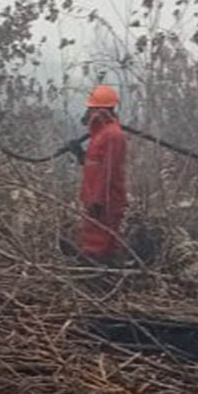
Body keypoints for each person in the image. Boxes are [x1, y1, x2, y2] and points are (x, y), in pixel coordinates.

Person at [68, 85, 128, 262]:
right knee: (92, 241)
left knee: (102, 244)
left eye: (92, 108)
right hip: (94, 198)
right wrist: (80, 154)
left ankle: (101, 280)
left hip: (105, 202)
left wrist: (98, 200)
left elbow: (109, 170)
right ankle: (94, 276)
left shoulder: (113, 135)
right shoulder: (100, 134)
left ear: (102, 109)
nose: (88, 112)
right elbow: (95, 165)